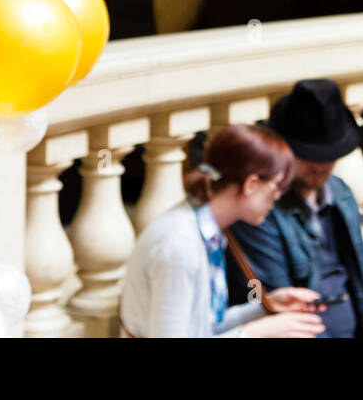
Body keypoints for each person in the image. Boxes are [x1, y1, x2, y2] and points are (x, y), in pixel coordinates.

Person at [119, 123, 327, 337]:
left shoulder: (205, 229)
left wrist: (264, 308)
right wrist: (255, 332)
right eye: (276, 186)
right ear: (251, 184)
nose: (278, 197)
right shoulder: (179, 245)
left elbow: (204, 327)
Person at [225, 79, 363, 337]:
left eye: (327, 154)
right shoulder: (260, 210)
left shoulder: (340, 193)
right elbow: (277, 309)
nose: (319, 164)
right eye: (307, 154)